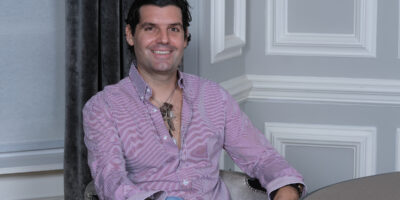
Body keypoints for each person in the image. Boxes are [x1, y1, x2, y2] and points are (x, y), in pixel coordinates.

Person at [82, 0, 305, 199]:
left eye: (174, 29)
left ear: (185, 37)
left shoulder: (214, 97)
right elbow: (110, 181)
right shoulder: (103, 107)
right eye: (150, 28)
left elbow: (263, 159)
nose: (164, 40)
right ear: (130, 34)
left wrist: (286, 190)